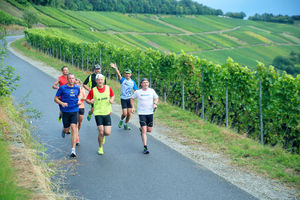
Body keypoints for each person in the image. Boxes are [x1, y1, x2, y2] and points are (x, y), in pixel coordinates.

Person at [86, 74, 115, 155]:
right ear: (96, 81)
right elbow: (87, 99)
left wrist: (112, 100)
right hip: (98, 113)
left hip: (107, 112)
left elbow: (112, 96)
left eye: (101, 79)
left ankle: (102, 137)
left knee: (107, 133)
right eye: (98, 80)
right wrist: (90, 101)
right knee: (101, 132)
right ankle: (100, 147)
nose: (100, 81)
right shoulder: (93, 90)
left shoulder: (108, 88)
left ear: (103, 80)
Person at [54, 73, 81, 158]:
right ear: (67, 80)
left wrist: (79, 101)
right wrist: (62, 103)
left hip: (74, 110)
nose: (71, 80)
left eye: (73, 78)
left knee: (73, 127)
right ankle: (64, 130)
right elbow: (55, 99)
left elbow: (79, 96)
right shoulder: (62, 88)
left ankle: (73, 150)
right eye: (70, 78)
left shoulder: (77, 88)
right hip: (65, 111)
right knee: (67, 129)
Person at [131, 78, 158, 154]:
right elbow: (132, 99)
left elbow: (156, 98)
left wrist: (155, 104)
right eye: (144, 82)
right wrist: (133, 107)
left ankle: (142, 129)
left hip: (150, 113)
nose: (146, 84)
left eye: (147, 82)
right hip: (142, 113)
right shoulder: (138, 92)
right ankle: (145, 147)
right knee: (144, 130)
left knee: (149, 130)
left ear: (148, 84)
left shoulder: (151, 91)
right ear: (141, 84)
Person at [110, 63, 138, 130]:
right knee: (124, 113)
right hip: (123, 99)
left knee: (129, 114)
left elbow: (136, 91)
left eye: (128, 73)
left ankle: (126, 124)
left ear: (130, 74)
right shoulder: (123, 80)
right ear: (125, 74)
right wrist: (115, 68)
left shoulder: (133, 82)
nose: (127, 74)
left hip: (129, 99)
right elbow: (118, 74)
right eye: (126, 73)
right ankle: (121, 120)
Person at [75, 78, 86, 146]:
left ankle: (77, 133)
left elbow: (85, 98)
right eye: (75, 83)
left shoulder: (82, 90)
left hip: (81, 107)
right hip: (74, 108)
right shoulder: (72, 90)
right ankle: (77, 137)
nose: (76, 84)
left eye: (77, 83)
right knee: (76, 123)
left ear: (79, 84)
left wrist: (80, 98)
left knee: (80, 122)